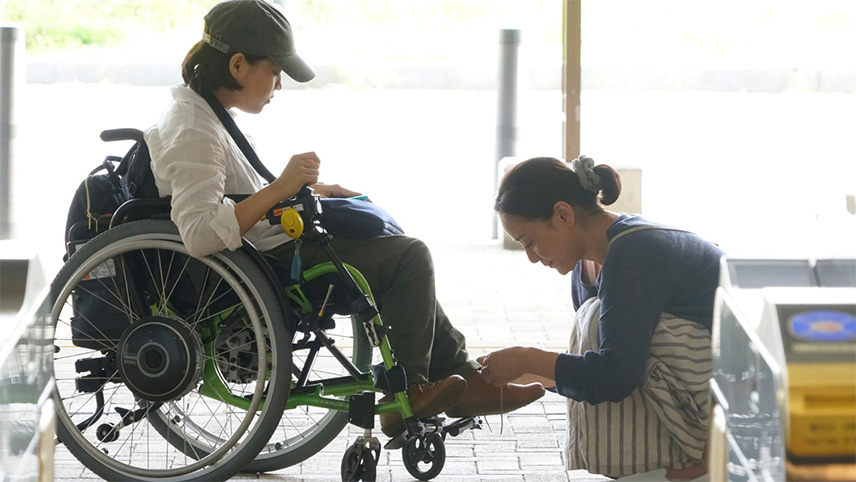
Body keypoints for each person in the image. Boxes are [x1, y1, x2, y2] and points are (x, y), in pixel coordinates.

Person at [144, 0, 544, 437]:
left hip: (272, 246)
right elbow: (200, 232)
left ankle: (463, 378)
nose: (279, 84)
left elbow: (232, 197)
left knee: (394, 248)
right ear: (238, 65)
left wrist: (310, 192)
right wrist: (280, 188)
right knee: (408, 258)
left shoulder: (208, 114)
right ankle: (408, 393)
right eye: (274, 72)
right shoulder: (195, 127)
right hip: (269, 262)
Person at [483, 156, 722, 481]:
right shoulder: (586, 266)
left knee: (593, 319)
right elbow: (609, 362)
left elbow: (615, 375)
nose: (532, 258)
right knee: (593, 322)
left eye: (530, 242)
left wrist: (529, 358)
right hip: (691, 391)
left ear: (563, 214)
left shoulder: (633, 251)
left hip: (728, 395)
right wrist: (525, 373)